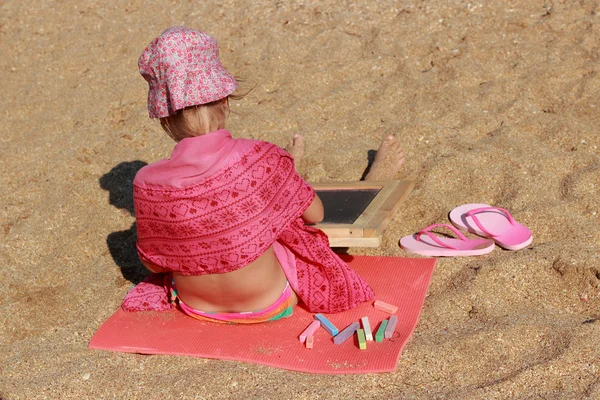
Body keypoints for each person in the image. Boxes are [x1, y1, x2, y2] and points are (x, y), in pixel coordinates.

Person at [128, 26, 405, 324]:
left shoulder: (147, 182)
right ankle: (322, 179)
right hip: (270, 302)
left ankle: (284, 179)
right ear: (225, 100)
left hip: (194, 305)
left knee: (211, 234)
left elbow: (154, 264)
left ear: (164, 119)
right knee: (287, 224)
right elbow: (315, 215)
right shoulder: (259, 156)